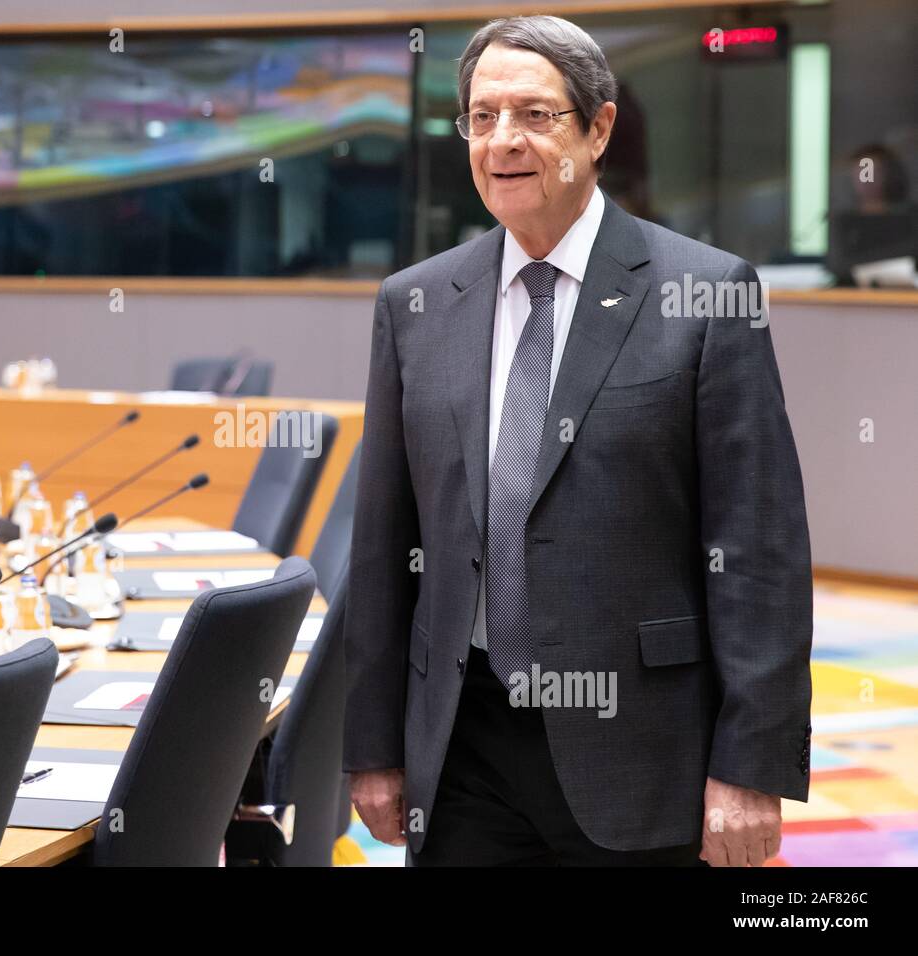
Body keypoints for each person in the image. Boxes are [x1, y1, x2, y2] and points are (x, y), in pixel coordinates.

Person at [344, 15, 812, 867]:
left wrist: (751, 766)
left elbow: (757, 550)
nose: (503, 141)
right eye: (482, 118)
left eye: (535, 115)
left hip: (640, 752)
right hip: (463, 747)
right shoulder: (415, 305)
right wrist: (373, 745)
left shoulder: (705, 294)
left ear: (597, 129)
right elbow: (383, 544)